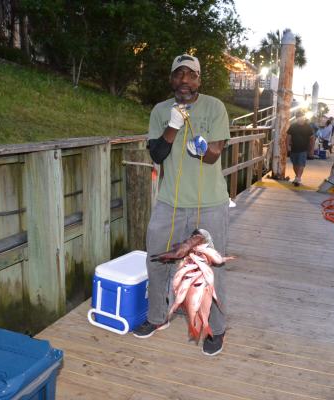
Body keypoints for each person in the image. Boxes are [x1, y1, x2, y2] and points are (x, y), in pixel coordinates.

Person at [132, 54, 230, 357]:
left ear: (199, 80)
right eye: (178, 75)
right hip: (169, 204)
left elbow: (214, 153)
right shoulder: (160, 110)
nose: (184, 81)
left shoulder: (215, 107)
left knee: (211, 267)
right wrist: (173, 125)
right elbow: (157, 154)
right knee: (157, 259)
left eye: (190, 75)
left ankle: (216, 327)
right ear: (171, 79)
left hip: (210, 203)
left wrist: (201, 147)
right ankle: (157, 317)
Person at [287, 110, 314, 186]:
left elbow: (312, 138)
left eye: (301, 116)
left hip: (304, 149)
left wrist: (311, 150)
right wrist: (287, 146)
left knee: (301, 164)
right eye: (298, 117)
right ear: (296, 118)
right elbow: (288, 136)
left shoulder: (308, 126)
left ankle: (298, 178)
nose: (300, 118)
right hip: (294, 148)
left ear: (304, 117)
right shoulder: (293, 126)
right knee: (295, 164)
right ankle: (297, 177)